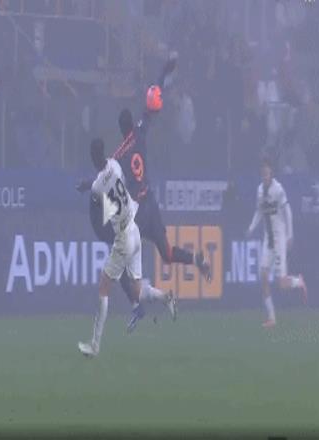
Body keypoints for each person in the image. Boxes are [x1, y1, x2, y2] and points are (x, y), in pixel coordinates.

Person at [78, 56, 211, 330]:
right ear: (131, 124)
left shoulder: (118, 156)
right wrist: (163, 73)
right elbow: (152, 103)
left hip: (138, 212)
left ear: (120, 130)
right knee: (168, 252)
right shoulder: (139, 134)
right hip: (151, 203)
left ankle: (137, 306)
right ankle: (196, 259)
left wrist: (85, 184)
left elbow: (104, 176)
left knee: (122, 264)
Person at [78, 139, 176, 358]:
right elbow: (109, 182)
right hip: (135, 230)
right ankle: (165, 298)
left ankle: (95, 345)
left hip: (123, 237)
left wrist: (85, 186)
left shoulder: (97, 186)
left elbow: (98, 194)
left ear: (93, 158)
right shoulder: (114, 165)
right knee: (137, 290)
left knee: (104, 287)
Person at [246, 157, 308, 328]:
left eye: (267, 173)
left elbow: (288, 212)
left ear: (271, 173)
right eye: (262, 173)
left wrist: (290, 235)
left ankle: (298, 282)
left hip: (280, 239)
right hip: (268, 240)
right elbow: (259, 211)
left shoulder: (278, 189)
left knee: (282, 284)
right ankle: (272, 318)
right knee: (263, 276)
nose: (265, 176)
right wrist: (251, 228)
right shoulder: (260, 190)